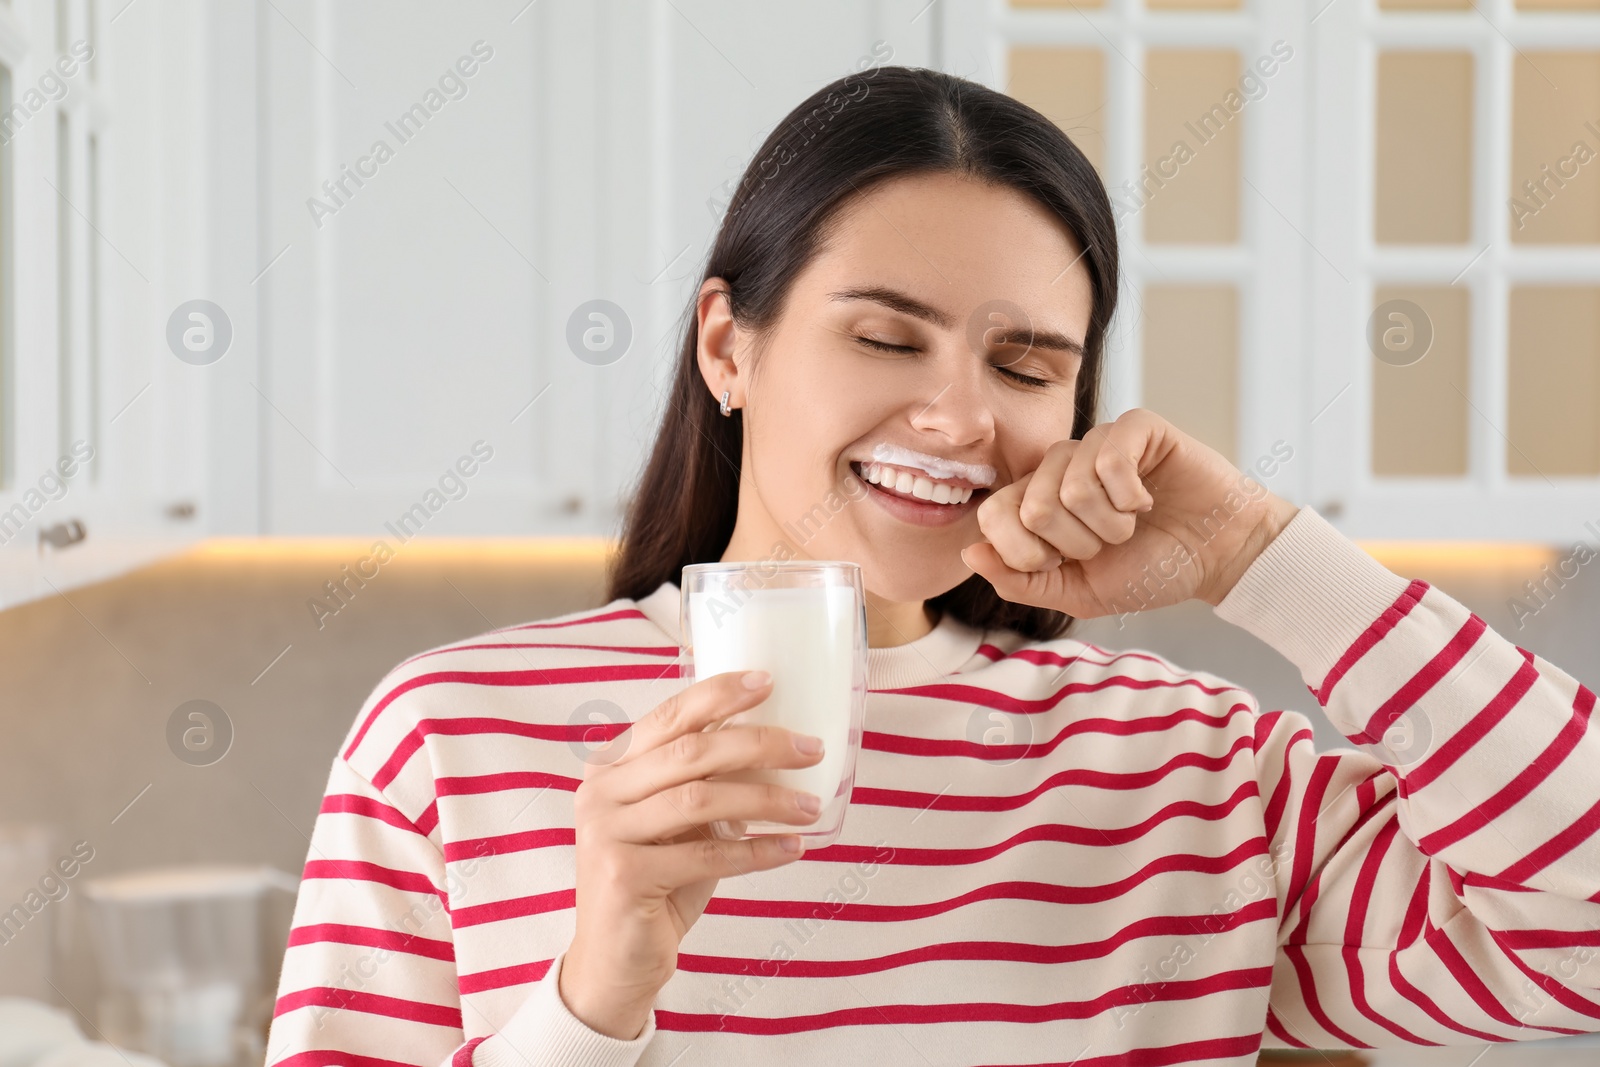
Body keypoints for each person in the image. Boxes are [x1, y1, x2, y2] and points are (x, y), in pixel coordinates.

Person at [264, 66, 1600, 1066]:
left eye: (1027, 367)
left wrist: (1263, 558)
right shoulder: (451, 737)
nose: (961, 419)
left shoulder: (1191, 774)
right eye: (888, 340)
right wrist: (591, 994)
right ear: (728, 347)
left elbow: (1578, 952)